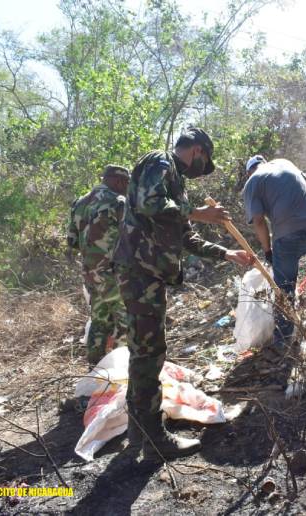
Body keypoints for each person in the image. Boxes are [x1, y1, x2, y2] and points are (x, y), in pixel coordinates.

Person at [112, 128, 253, 462]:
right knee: (149, 354)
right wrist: (198, 213)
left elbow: (187, 237)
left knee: (144, 353)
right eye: (204, 161)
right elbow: (149, 204)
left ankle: (139, 430)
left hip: (148, 274)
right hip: (140, 271)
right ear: (198, 150)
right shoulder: (160, 161)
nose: (201, 170)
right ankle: (154, 439)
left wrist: (226, 253)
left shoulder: (175, 185)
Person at [242, 155, 306, 350]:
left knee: (285, 288)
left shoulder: (252, 182)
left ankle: (284, 341)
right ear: (265, 163)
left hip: (285, 237)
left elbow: (259, 221)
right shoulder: (285, 163)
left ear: (249, 172)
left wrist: (267, 250)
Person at [78, 165, 131, 365]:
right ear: (118, 181)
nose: (127, 188)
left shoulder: (80, 203)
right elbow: (130, 237)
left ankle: (95, 369)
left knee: (99, 321)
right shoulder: (118, 201)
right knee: (127, 319)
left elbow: (72, 240)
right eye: (126, 183)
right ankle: (120, 370)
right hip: (111, 273)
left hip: (89, 272)